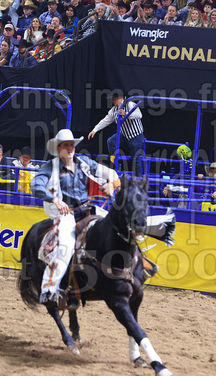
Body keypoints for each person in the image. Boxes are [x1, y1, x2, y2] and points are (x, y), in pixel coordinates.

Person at [30, 129, 119, 306]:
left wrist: (110, 186)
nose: (70, 148)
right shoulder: (50, 167)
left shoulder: (83, 162)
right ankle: (49, 289)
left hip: (88, 209)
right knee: (65, 245)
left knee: (115, 227)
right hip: (66, 214)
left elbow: (113, 176)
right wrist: (55, 200)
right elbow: (36, 185)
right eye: (66, 145)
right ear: (59, 148)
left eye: (72, 144)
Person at [88, 91, 144, 176]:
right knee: (111, 141)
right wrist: (95, 130)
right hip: (124, 134)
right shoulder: (113, 110)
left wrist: (126, 114)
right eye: (112, 99)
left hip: (136, 135)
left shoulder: (130, 104)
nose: (112, 101)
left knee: (135, 158)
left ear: (121, 99)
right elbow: (105, 120)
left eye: (114, 99)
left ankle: (139, 179)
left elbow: (139, 115)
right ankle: (115, 164)